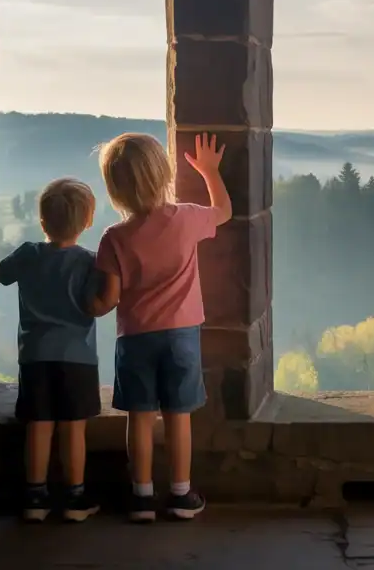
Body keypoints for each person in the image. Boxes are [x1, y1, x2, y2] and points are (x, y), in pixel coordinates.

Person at [89, 132, 231, 523]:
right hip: (181, 337)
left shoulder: (113, 238)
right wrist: (209, 172)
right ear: (164, 172)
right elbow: (224, 211)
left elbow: (110, 298)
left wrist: (88, 305)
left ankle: (141, 496)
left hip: (134, 338)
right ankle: (181, 494)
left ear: (114, 188)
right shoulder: (186, 218)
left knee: (139, 417)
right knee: (178, 416)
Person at [0, 179, 103, 523]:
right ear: (87, 222)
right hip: (78, 359)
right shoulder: (90, 261)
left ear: (43, 222)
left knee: (38, 425)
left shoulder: (29, 253)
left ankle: (34, 496)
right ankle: (74, 498)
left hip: (36, 356)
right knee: (74, 427)